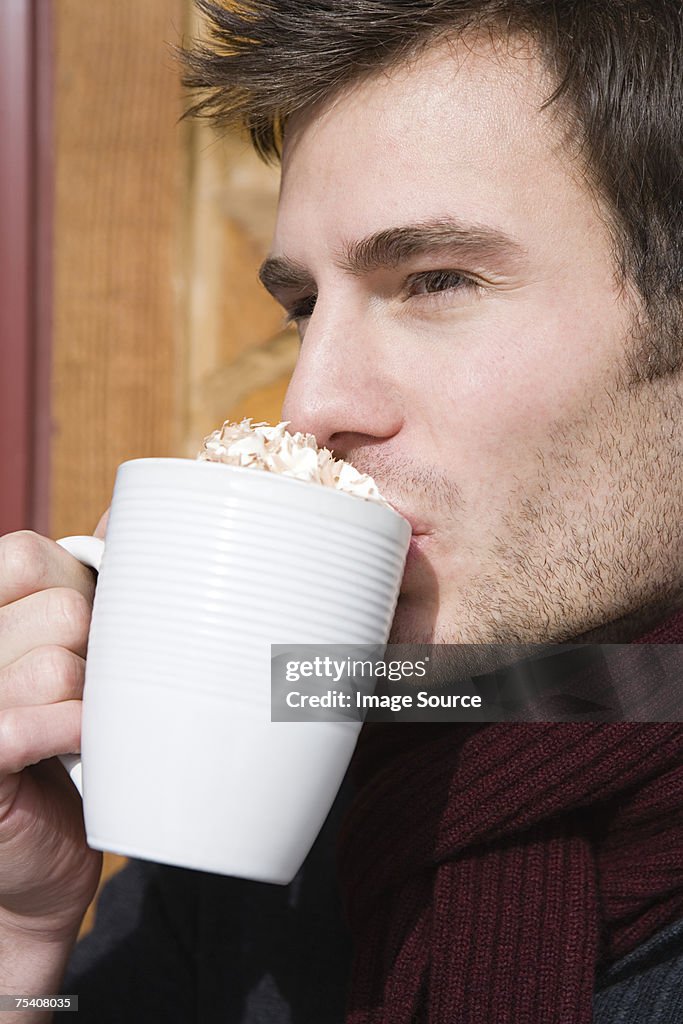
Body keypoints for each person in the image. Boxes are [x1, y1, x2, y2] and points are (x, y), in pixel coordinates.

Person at [0, 0, 681, 1020]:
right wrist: (20, 943)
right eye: (304, 305)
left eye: (435, 280)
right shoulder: (270, 819)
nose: (310, 406)